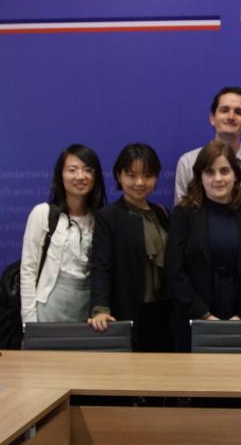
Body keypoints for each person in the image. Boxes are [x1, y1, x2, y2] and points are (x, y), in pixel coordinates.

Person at [168, 141, 241, 350]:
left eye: (224, 171)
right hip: (194, 317)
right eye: (210, 172)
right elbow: (174, 270)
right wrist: (204, 315)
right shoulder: (184, 214)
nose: (218, 179)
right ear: (199, 177)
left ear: (236, 175)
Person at [89, 143, 173, 351]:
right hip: (128, 309)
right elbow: (101, 265)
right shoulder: (108, 217)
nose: (139, 182)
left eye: (147, 175)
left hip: (165, 310)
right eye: (131, 175)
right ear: (119, 175)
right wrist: (100, 308)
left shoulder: (163, 213)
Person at [20, 144, 107, 323]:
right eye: (72, 170)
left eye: (88, 170)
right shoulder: (43, 213)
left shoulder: (101, 220)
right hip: (48, 309)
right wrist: (29, 323)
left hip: (87, 312)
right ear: (61, 175)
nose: (80, 176)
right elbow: (28, 270)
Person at [174, 86, 241, 207]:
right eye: (224, 110)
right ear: (212, 118)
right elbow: (181, 216)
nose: (231, 117)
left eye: (238, 112)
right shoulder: (188, 162)